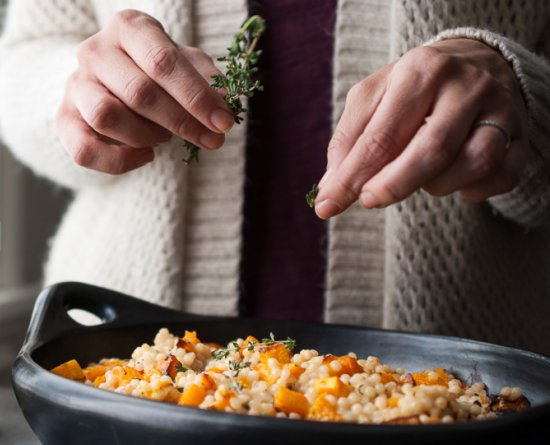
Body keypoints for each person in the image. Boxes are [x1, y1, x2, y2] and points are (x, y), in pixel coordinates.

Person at [1, 0, 550, 355]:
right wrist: (78, 99)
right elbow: (23, 58)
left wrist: (523, 103)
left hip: (448, 398)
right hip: (128, 377)